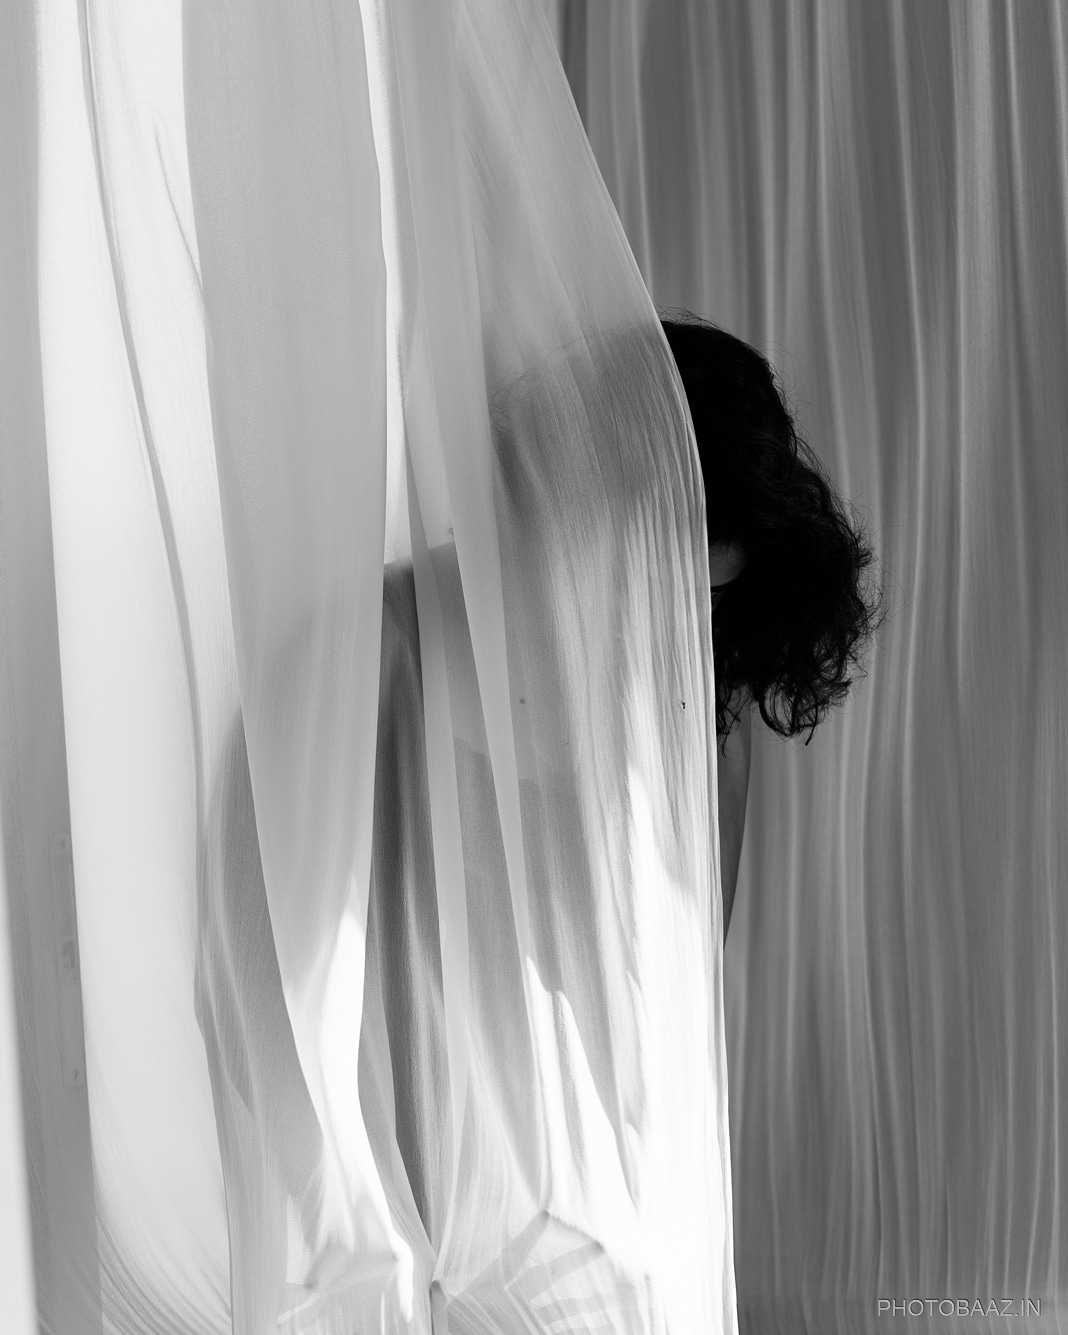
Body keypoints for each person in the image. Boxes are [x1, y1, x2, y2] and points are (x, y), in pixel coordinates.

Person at [660, 311, 885, 940]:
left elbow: (698, 945)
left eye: (711, 595)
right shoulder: (425, 628)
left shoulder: (716, 680)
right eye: (662, 588)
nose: (688, 623)